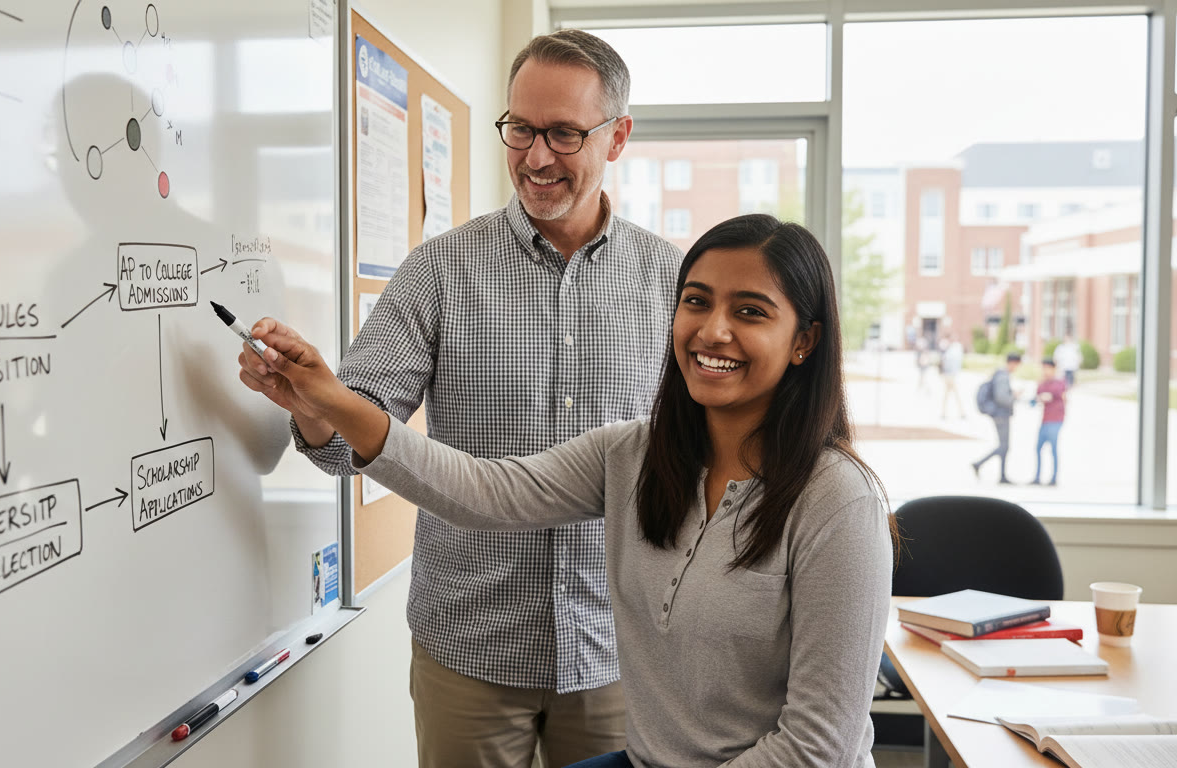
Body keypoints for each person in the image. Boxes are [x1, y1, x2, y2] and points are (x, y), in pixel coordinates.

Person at [239, 214, 898, 768]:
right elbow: (482, 490)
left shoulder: (838, 502)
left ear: (805, 341)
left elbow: (818, 746)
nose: (712, 331)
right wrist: (329, 398)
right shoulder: (635, 454)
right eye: (696, 301)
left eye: (749, 312)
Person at [280, 29, 681, 768]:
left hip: (620, 654)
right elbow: (345, 443)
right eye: (521, 129)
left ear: (618, 136)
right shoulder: (438, 271)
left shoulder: (674, 282)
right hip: (468, 647)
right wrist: (314, 405)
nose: (535, 157)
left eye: (563, 133)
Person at [972, 352, 1022, 485]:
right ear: (1013, 363)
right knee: (1004, 446)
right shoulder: (1003, 376)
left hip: (999, 414)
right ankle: (980, 464)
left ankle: (1001, 474)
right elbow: (1002, 397)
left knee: (1004, 446)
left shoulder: (999, 374)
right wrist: (1014, 396)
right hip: (1001, 414)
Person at [1031, 359, 1067, 486]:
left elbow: (1058, 394)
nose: (1045, 371)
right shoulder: (1042, 384)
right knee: (1038, 448)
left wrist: (1047, 396)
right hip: (1045, 420)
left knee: (1053, 449)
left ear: (1053, 369)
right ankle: (1037, 477)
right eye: (1043, 368)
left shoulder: (1059, 382)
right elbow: (1034, 401)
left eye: (1047, 368)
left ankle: (1053, 478)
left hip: (1056, 420)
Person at [939, 334, 965, 419]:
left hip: (949, 374)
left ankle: (945, 412)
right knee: (954, 394)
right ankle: (961, 412)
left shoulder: (952, 349)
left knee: (948, 394)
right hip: (949, 375)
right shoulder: (952, 349)